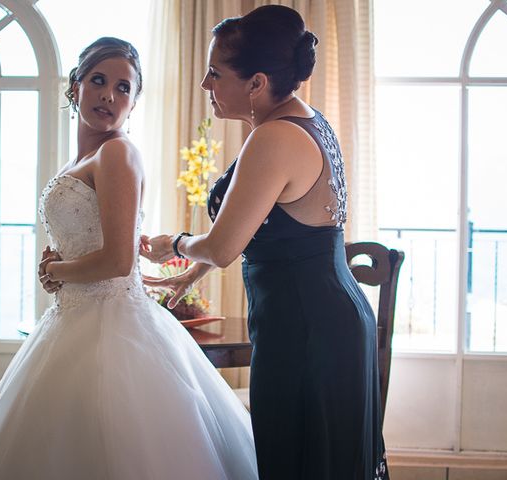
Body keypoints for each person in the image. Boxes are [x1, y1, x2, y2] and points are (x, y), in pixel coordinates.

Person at [0, 37, 257, 480]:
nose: (109, 95)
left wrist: (55, 270)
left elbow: (117, 260)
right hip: (72, 318)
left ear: (134, 103)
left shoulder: (117, 152)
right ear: (75, 87)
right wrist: (61, 263)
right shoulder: (86, 157)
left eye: (123, 88)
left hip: (111, 325)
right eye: (98, 81)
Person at [142, 6, 389, 480]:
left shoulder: (274, 137)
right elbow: (274, 230)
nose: (205, 85)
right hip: (321, 317)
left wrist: (174, 243)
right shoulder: (304, 120)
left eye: (215, 73)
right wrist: (197, 268)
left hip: (307, 329)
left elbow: (222, 247)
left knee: (298, 461)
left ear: (256, 82)